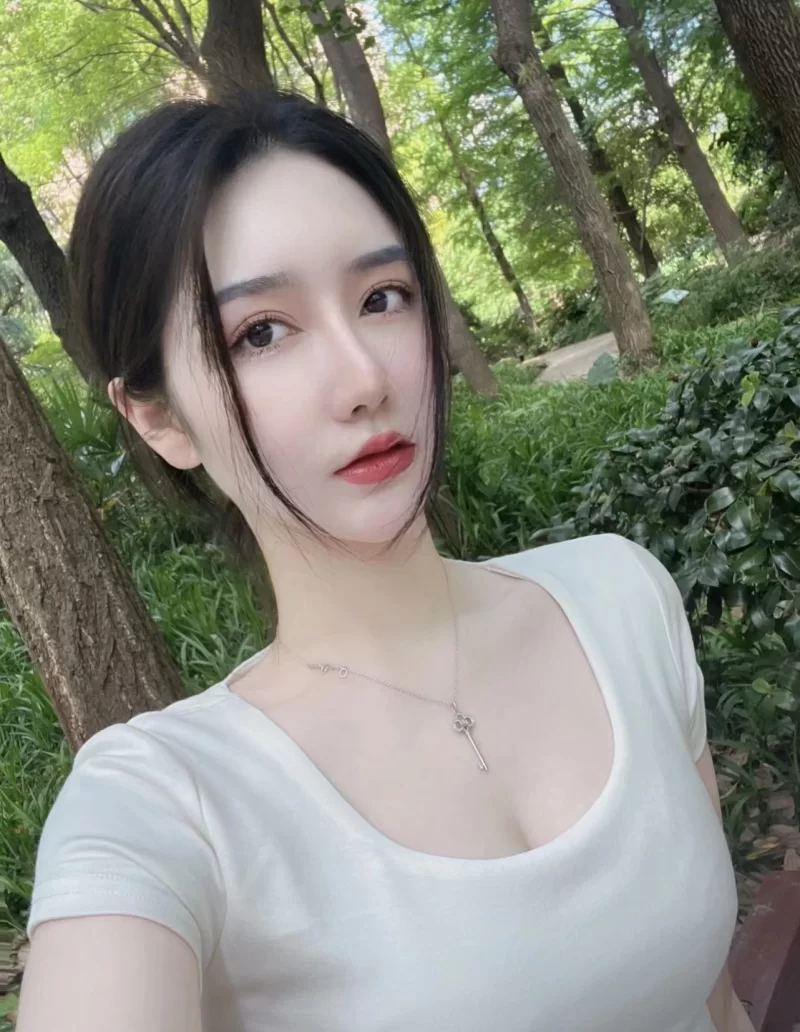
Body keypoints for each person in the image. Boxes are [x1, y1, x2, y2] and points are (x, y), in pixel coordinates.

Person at [17, 90, 751, 1032]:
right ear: (159, 419)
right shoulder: (162, 805)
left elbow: (715, 1000)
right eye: (260, 333)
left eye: (382, 298)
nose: (365, 380)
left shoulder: (620, 597)